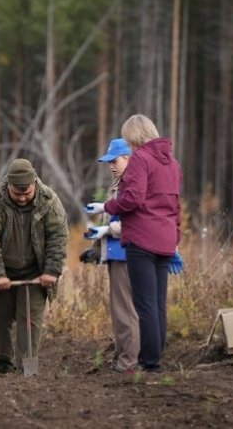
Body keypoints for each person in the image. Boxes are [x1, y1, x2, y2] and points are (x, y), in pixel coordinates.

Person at [85, 115, 182, 373]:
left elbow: (131, 202)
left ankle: (144, 362)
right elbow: (174, 205)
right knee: (155, 304)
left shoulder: (140, 162)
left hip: (138, 242)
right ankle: (151, 360)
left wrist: (105, 212)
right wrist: (176, 236)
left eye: (114, 160)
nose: (111, 167)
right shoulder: (171, 163)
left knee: (142, 306)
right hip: (163, 239)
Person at [0, 158, 68, 374]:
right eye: (17, 193)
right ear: (8, 185)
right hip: (2, 270)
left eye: (26, 192)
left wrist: (52, 271)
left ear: (34, 184)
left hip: (36, 270)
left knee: (31, 320)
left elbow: (58, 237)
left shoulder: (49, 200)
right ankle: (3, 360)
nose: (22, 197)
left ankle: (28, 366)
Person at [81, 138, 140, 374]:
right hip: (115, 253)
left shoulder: (133, 185)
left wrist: (106, 231)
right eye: (108, 162)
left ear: (129, 158)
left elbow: (135, 224)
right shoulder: (118, 184)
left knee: (126, 310)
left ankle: (129, 362)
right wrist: (96, 249)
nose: (111, 166)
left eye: (115, 161)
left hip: (126, 253)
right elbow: (109, 218)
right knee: (119, 310)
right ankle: (123, 356)